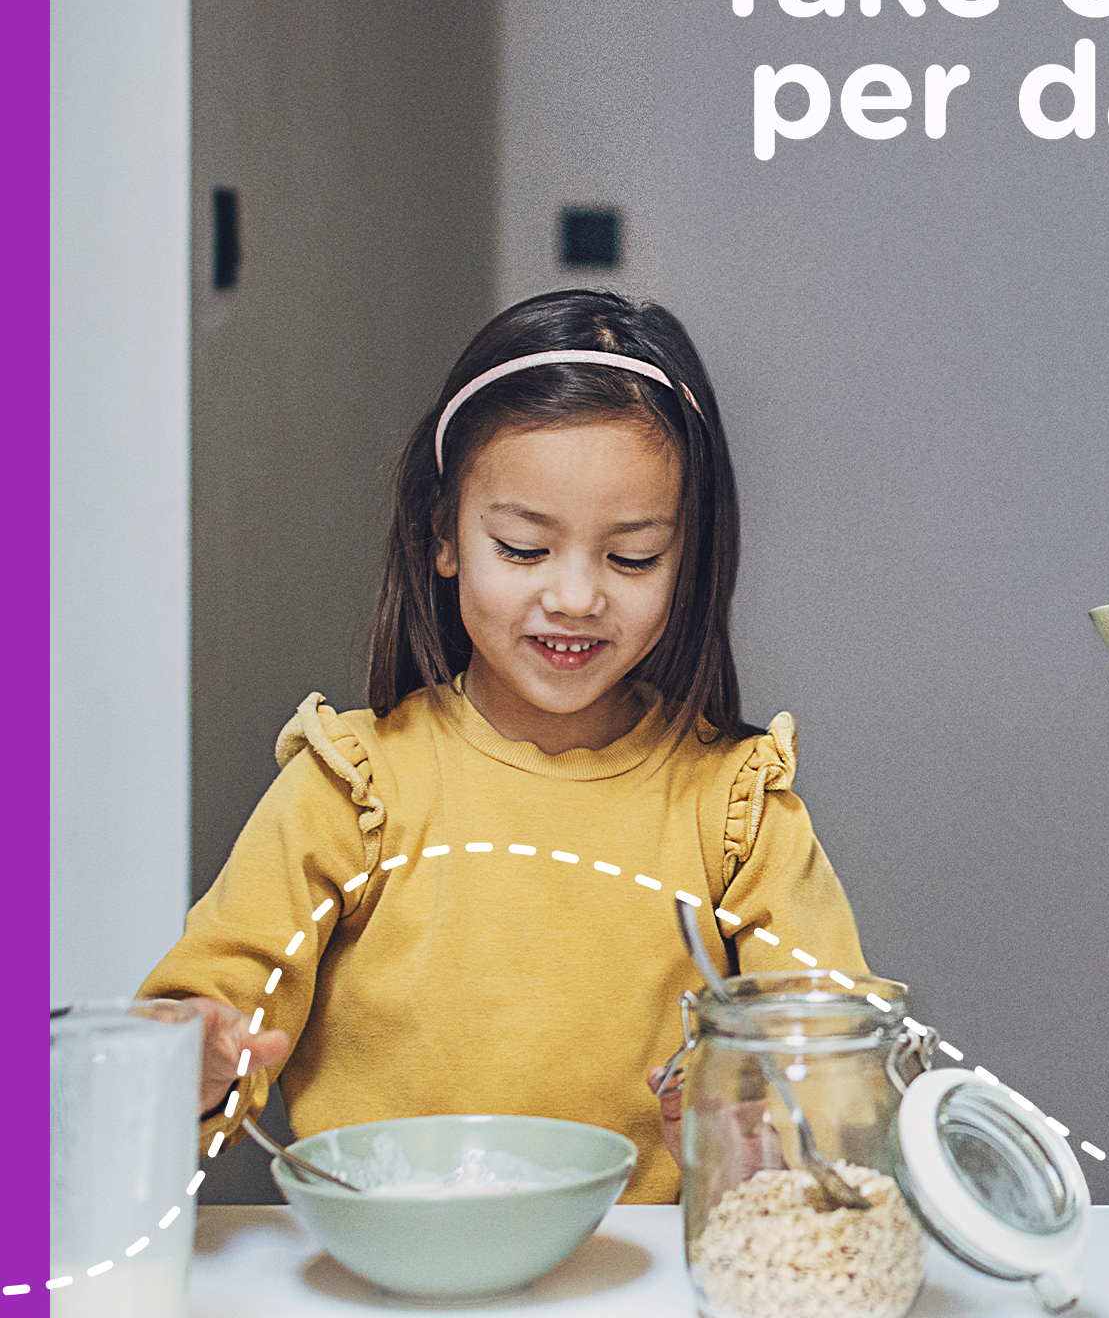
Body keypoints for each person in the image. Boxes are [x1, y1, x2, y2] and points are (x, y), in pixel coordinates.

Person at [139, 290, 867, 1201]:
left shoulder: (735, 807)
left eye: (632, 557)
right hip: (384, 1289)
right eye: (524, 548)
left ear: (691, 558)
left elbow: (836, 1047)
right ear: (442, 535)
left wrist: (759, 1119)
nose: (574, 596)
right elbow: (206, 1014)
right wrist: (196, 1054)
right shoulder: (351, 787)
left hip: (640, 1302)